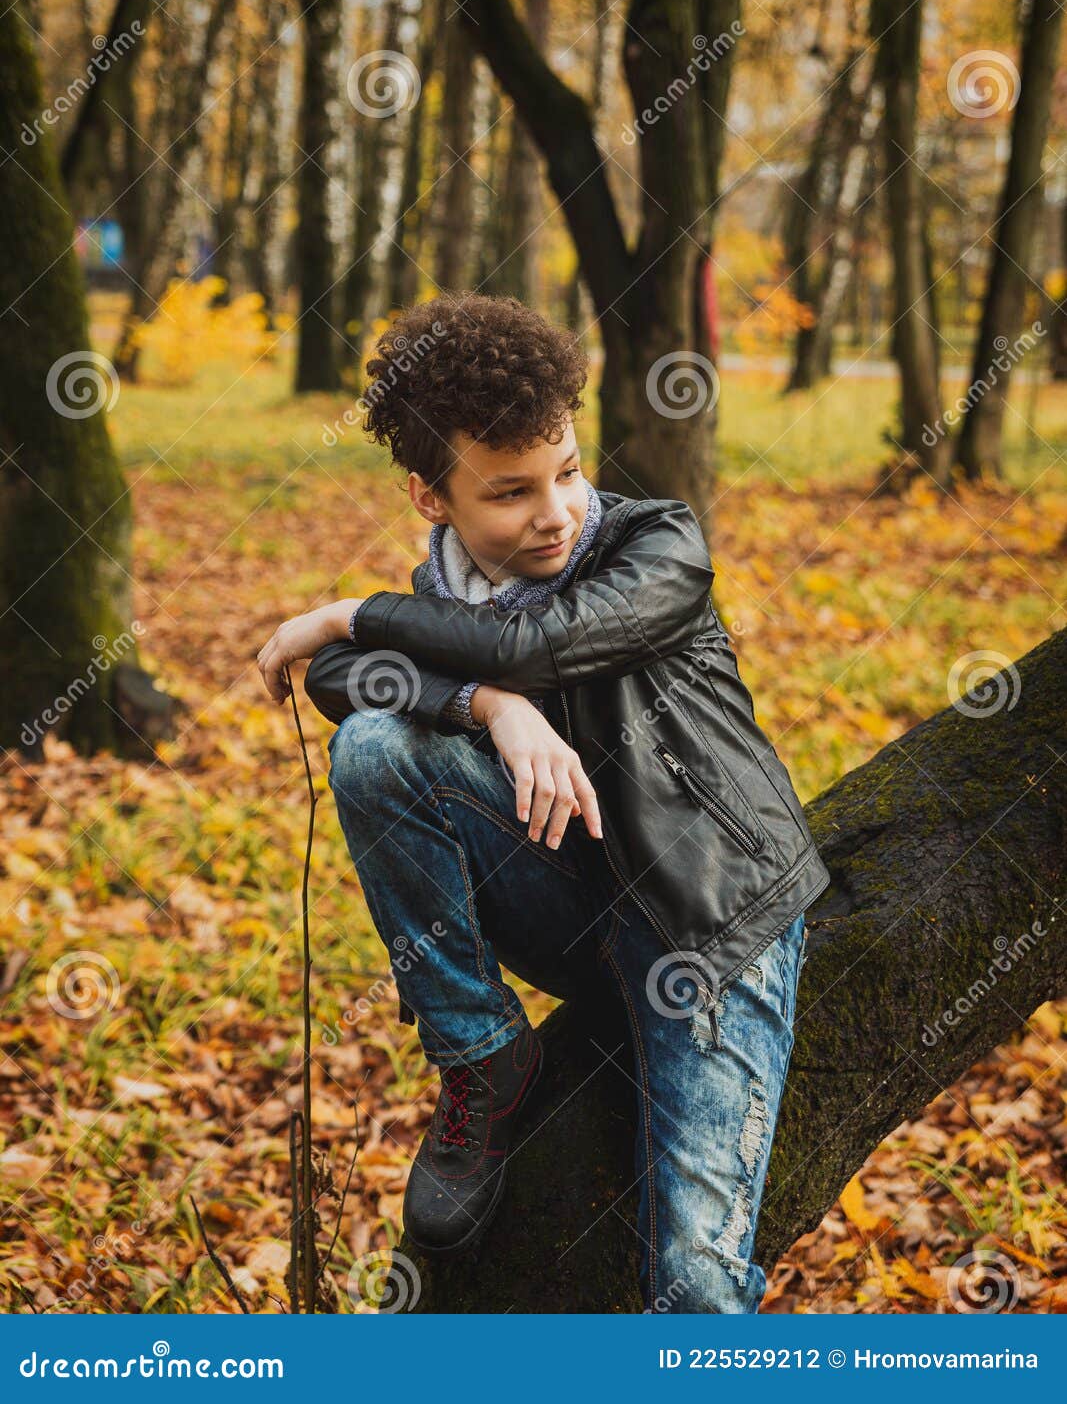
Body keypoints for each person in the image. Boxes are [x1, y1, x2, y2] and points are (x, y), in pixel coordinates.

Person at [256, 293, 829, 1312]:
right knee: (377, 746)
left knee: (696, 1287)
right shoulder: (445, 606)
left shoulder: (658, 547)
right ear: (433, 499)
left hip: (705, 921)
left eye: (565, 470)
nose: (556, 510)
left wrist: (343, 611)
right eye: (510, 492)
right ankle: (483, 1054)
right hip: (574, 911)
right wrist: (491, 709)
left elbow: (533, 642)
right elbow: (345, 683)